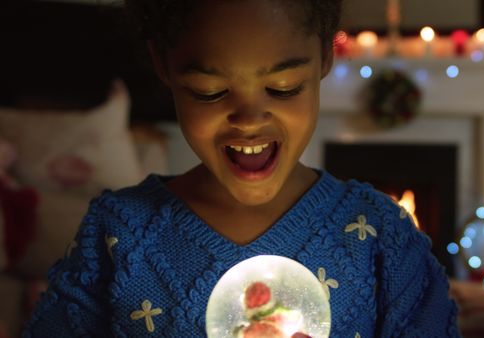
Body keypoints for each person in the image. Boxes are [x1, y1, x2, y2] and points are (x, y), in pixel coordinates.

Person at [23, 0, 460, 337]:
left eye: (282, 88)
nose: (250, 119)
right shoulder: (118, 233)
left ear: (325, 57)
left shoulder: (382, 236)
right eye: (210, 92)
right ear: (164, 66)